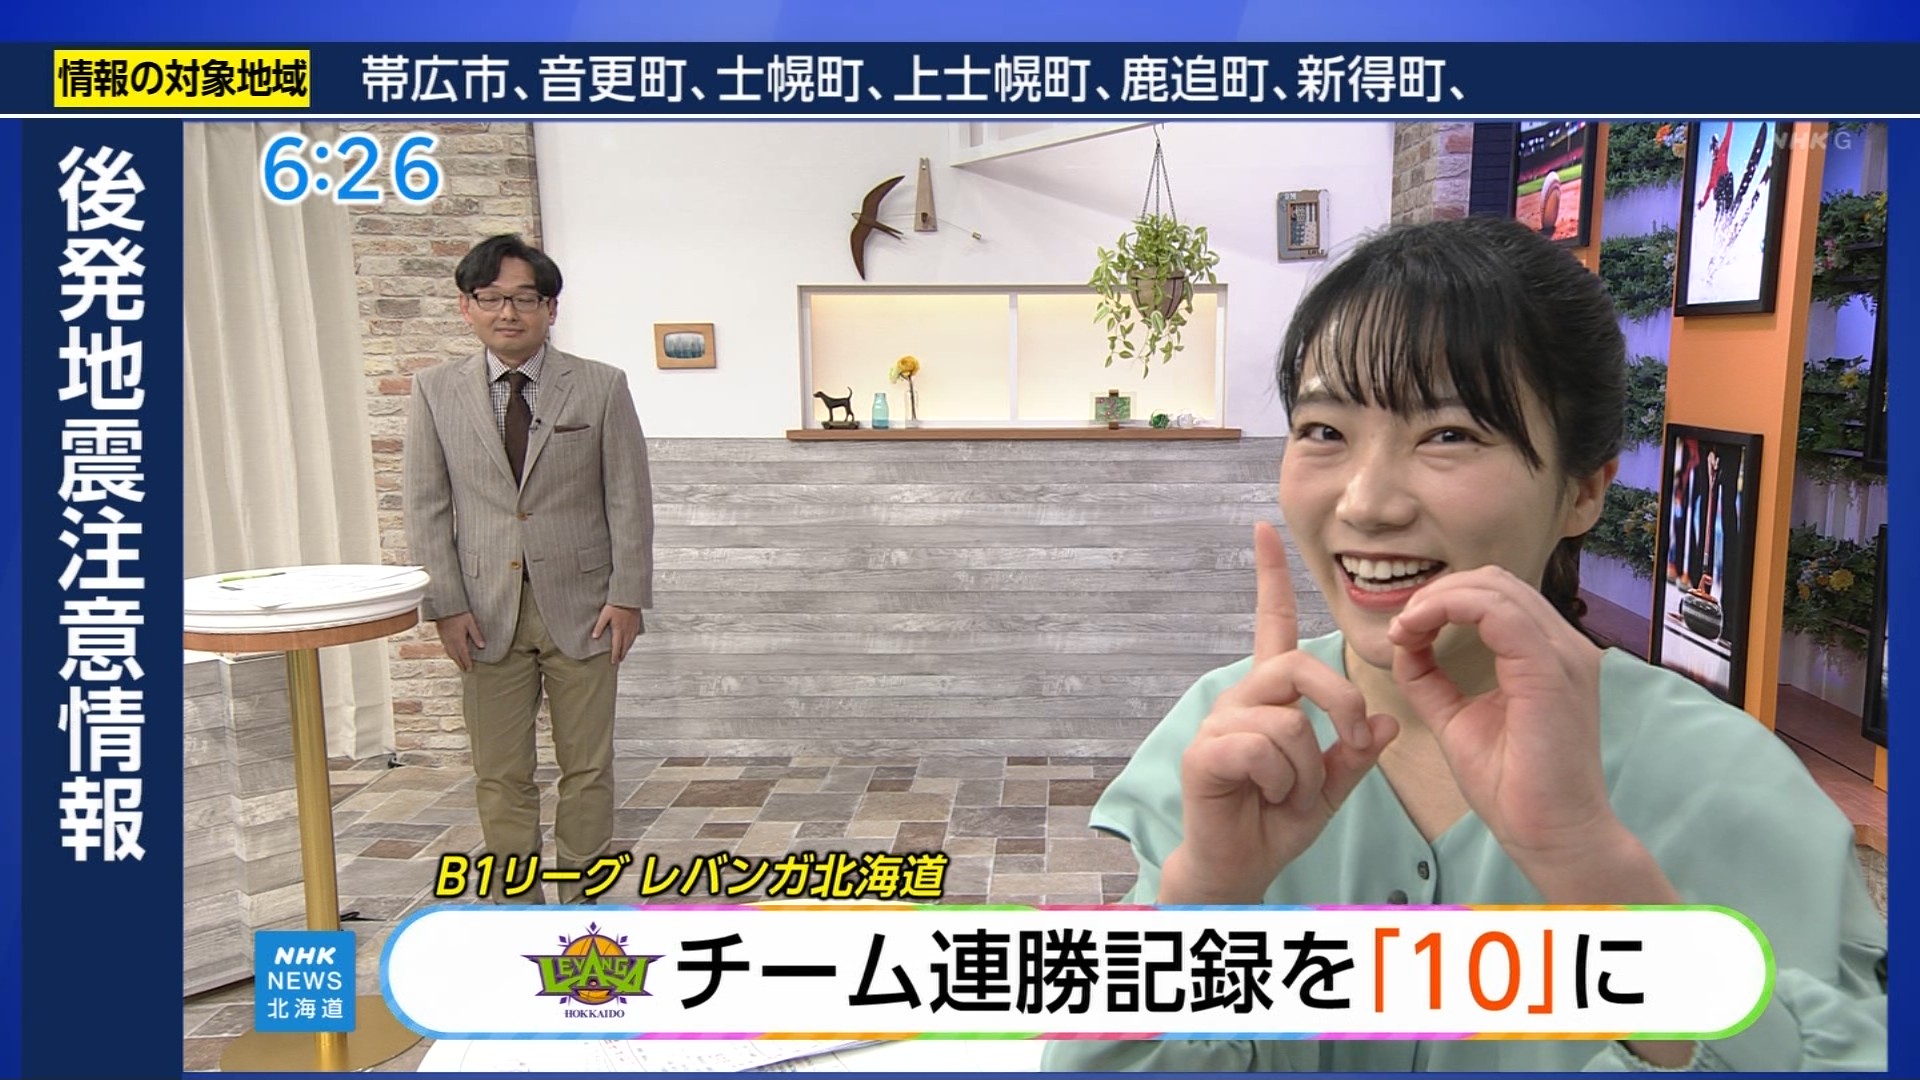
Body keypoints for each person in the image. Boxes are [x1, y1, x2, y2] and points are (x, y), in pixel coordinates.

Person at [1041, 216, 1887, 1071]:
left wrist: (1592, 868)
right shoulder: (1227, 737)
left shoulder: (1727, 782)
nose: (1366, 503)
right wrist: (1204, 906)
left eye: (1449, 434)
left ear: (1584, 491)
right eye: (1324, 430)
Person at [404, 234, 655, 905]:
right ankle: (518, 906)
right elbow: (426, 506)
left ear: (550, 308)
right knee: (499, 771)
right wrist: (445, 605)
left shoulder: (600, 385)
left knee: (588, 766)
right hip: (483, 611)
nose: (507, 313)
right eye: (491, 298)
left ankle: (582, 901)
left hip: (586, 606)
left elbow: (628, 498)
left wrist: (628, 595)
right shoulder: (435, 391)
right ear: (466, 307)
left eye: (524, 298)